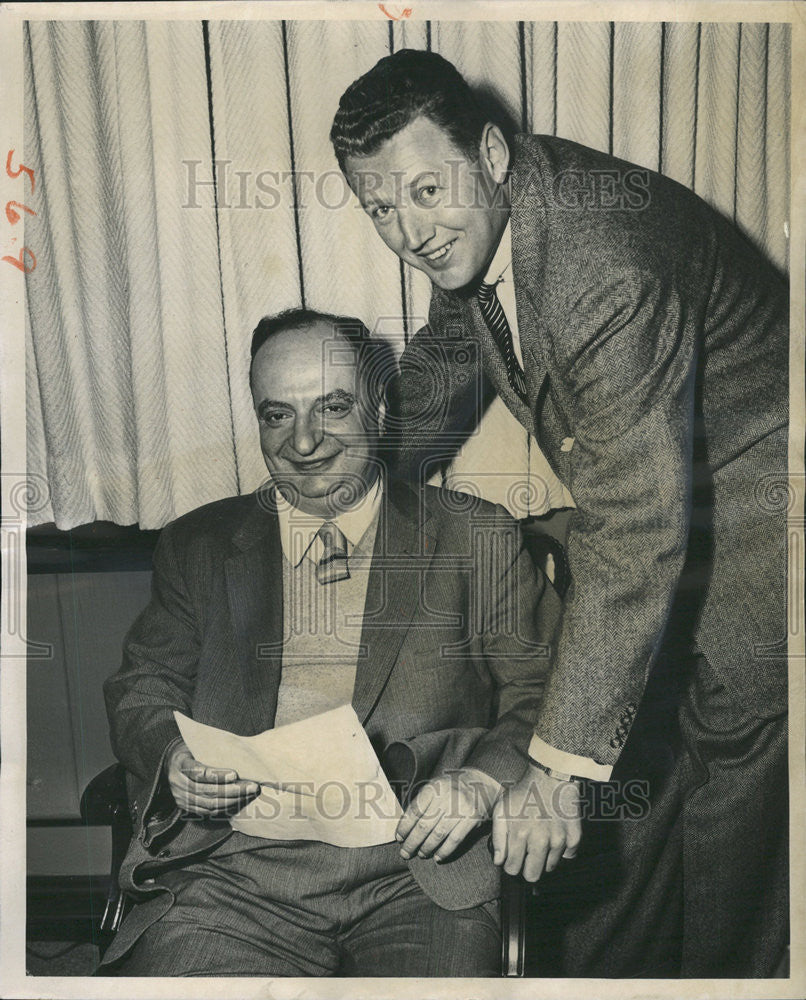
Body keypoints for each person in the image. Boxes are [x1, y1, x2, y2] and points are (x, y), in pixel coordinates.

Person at [330, 49, 789, 977]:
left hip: (766, 510)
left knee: (730, 787)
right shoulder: (488, 222)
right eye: (382, 207)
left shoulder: (599, 264)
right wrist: (364, 486)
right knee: (630, 781)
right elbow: (455, 343)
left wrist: (562, 766)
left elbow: (633, 531)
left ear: (492, 153)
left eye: (425, 190)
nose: (411, 230)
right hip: (665, 504)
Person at [100, 308, 560, 977]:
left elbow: (545, 685)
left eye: (333, 406)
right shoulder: (198, 544)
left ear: (378, 406)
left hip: (420, 874)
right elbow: (143, 686)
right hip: (232, 876)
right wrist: (172, 758)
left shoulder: (474, 536)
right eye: (277, 414)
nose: (305, 442)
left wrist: (486, 780)